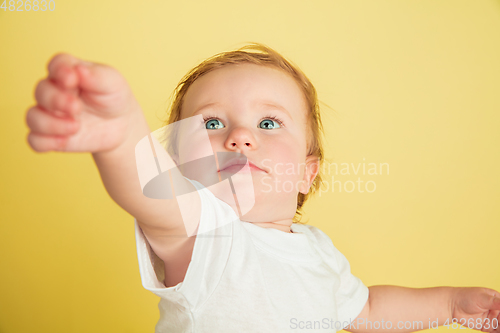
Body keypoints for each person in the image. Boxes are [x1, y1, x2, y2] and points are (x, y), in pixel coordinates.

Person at [25, 43, 500, 333]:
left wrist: (453, 304)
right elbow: (153, 195)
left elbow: (368, 310)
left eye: (268, 122)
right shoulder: (206, 235)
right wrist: (120, 133)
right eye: (211, 122)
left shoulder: (318, 252)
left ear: (308, 172)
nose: (240, 137)